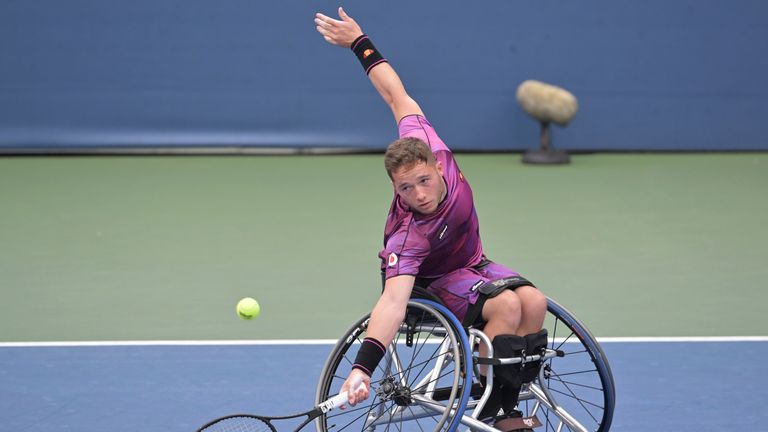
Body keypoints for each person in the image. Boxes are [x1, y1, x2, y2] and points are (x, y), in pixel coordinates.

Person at [315, 7, 549, 425]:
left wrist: (358, 42)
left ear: (438, 166)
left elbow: (394, 94)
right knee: (508, 307)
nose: (418, 195)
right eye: (405, 188)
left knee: (534, 300)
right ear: (394, 187)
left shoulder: (427, 141)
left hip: (472, 263)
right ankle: (499, 407)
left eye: (423, 181)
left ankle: (507, 384)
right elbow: (391, 301)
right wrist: (361, 368)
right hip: (431, 285)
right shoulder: (408, 236)